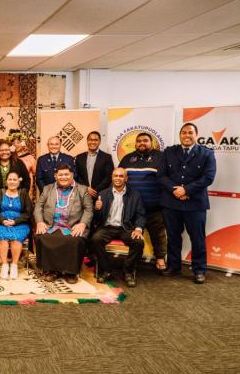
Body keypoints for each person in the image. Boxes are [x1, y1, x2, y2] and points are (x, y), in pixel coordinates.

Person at [158, 123, 216, 284]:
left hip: (195, 204)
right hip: (171, 203)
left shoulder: (207, 153)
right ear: (180, 134)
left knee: (197, 238)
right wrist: (175, 190)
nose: (187, 135)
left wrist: (186, 190)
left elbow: (208, 177)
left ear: (196, 135)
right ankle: (174, 267)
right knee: (173, 237)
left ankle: (199, 270)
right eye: (184, 132)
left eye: (190, 132)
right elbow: (161, 176)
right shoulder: (169, 152)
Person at [34, 164, 92, 284]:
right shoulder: (48, 188)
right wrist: (39, 221)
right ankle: (50, 270)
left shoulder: (82, 189)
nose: (63, 177)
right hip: (51, 225)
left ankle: (70, 272)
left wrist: (82, 224)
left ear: (72, 175)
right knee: (42, 237)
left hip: (72, 226)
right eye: (60, 174)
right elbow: (38, 206)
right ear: (55, 176)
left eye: (66, 174)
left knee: (74, 240)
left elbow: (88, 209)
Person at [119, 132, 167, 271]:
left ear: (151, 142)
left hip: (154, 206)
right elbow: (120, 178)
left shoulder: (161, 157)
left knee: (158, 234)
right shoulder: (127, 158)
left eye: (145, 140)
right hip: (132, 208)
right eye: (139, 141)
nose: (142, 143)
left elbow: (167, 179)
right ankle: (134, 261)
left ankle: (160, 259)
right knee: (133, 236)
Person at [91, 168, 146, 287]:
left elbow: (141, 215)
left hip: (126, 228)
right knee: (96, 239)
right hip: (107, 227)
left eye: (121, 176)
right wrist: (97, 209)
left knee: (138, 242)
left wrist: (138, 229)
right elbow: (97, 218)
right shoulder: (103, 194)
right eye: (115, 176)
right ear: (112, 177)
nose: (118, 178)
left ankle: (128, 272)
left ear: (126, 178)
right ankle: (107, 270)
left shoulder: (135, 195)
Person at [0, 172, 33, 280]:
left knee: (16, 238)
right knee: (2, 237)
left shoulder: (23, 193)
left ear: (19, 182)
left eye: (15, 180)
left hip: (19, 223)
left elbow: (28, 213)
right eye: (10, 179)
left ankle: (14, 265)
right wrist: (3, 220)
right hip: (1, 223)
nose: (12, 182)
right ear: (6, 181)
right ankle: (4, 265)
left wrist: (15, 222)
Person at [74, 131, 114, 201]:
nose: (93, 142)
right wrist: (86, 188)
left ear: (99, 141)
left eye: (95, 140)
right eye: (90, 140)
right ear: (87, 141)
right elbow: (76, 175)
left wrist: (95, 191)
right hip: (82, 194)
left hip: (100, 195)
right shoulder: (79, 157)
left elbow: (109, 177)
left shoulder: (107, 157)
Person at [8, 130, 36, 200]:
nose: (15, 145)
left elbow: (36, 174)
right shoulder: (7, 158)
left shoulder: (30, 158)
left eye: (18, 142)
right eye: (13, 143)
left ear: (23, 143)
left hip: (26, 191)